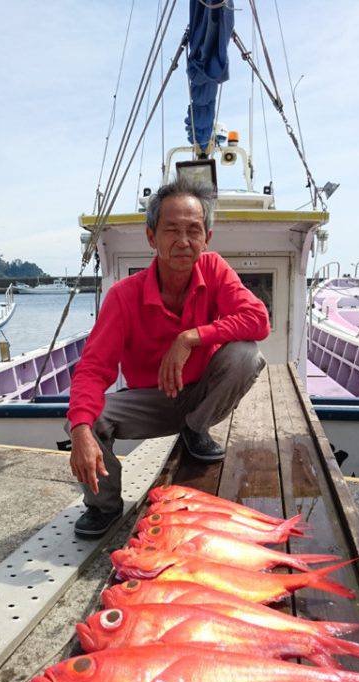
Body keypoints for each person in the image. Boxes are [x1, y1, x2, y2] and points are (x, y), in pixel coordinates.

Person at [67, 178, 270, 537]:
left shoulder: (214, 269)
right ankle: (105, 506)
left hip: (201, 394)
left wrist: (191, 337)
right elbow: (93, 369)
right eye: (171, 229)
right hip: (152, 401)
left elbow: (258, 320)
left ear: (207, 238)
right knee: (85, 420)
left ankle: (195, 428)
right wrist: (81, 430)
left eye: (194, 230)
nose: (183, 241)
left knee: (246, 354)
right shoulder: (123, 296)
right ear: (151, 237)